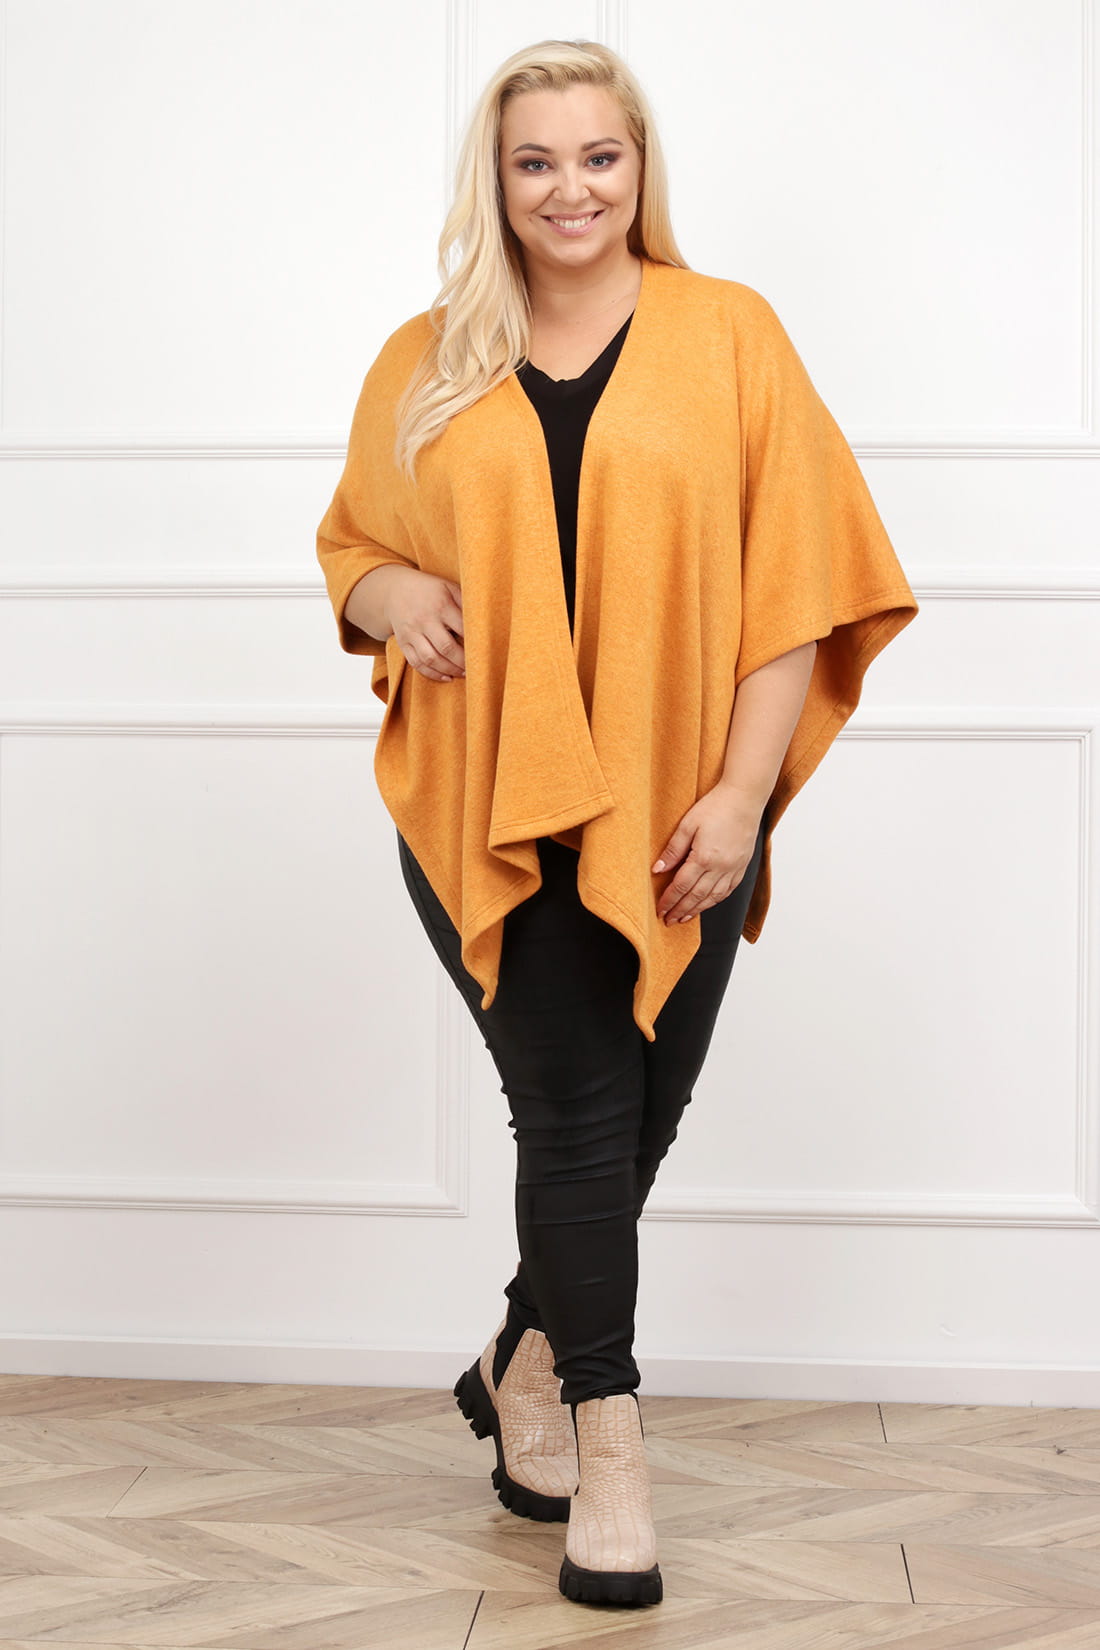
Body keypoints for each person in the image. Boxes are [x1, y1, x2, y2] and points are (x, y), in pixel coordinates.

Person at [317, 38, 918, 1609]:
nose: (569, 188)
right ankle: (612, 1447)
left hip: (687, 806)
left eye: (598, 155)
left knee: (637, 1110)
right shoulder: (427, 357)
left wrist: (740, 797)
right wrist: (399, 593)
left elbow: (798, 583)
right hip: (487, 802)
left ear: (638, 167)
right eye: (536, 160)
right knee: (578, 1116)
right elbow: (350, 548)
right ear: (496, 180)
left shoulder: (730, 334)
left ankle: (521, 1358)